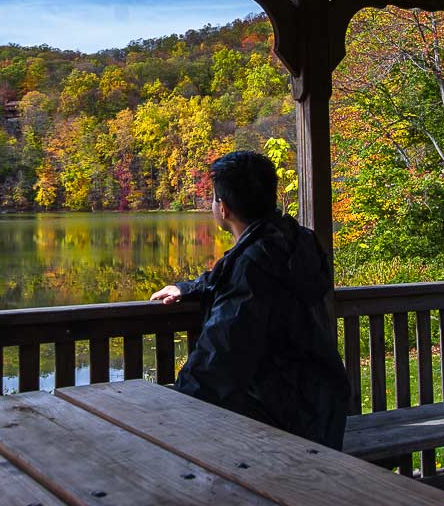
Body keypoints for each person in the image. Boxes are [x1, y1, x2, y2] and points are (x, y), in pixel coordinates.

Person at [150, 150, 350, 449]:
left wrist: (172, 411)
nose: (213, 205)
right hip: (321, 409)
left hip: (282, 424)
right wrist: (190, 287)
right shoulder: (296, 241)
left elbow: (219, 356)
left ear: (224, 208)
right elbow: (235, 275)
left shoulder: (254, 265)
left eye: (214, 199)